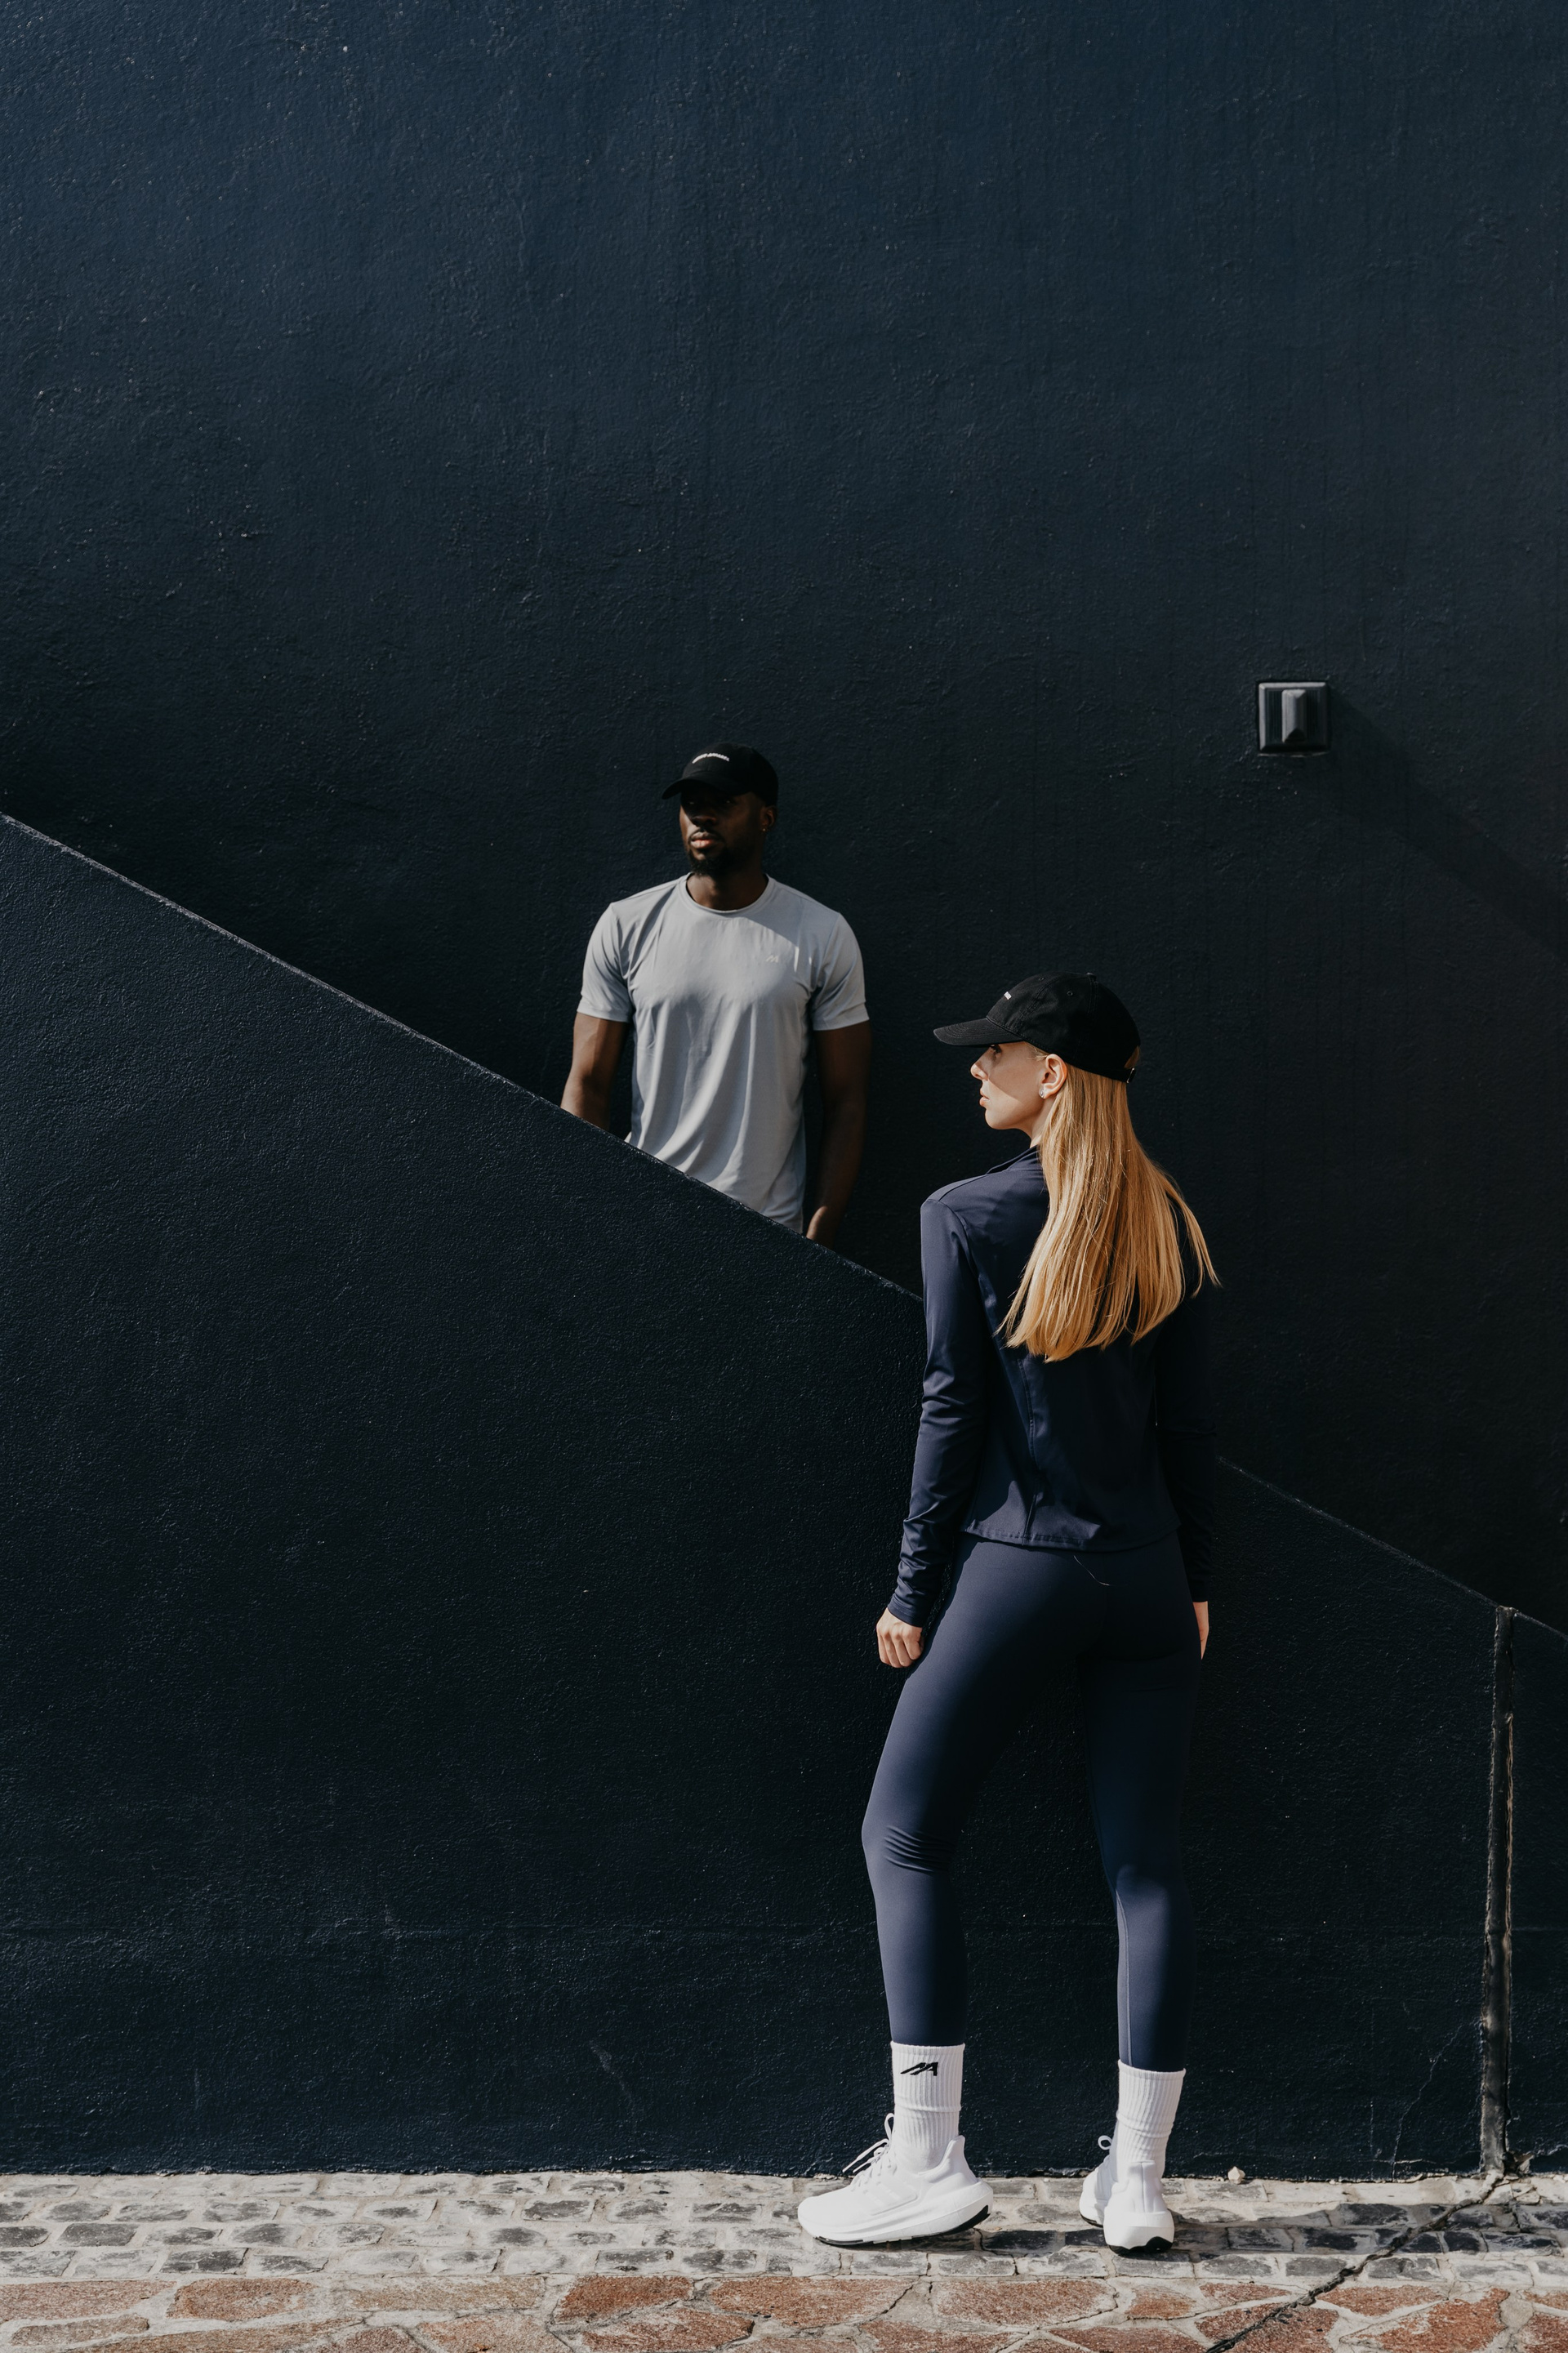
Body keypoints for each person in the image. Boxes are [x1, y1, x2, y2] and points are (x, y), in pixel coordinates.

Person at [797, 972, 1216, 2253]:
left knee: (903, 1834)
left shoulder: (965, 1214)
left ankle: (929, 2160)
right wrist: (1197, 1582)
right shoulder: (1170, 1219)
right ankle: (1136, 2181)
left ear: (1053, 1073)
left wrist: (912, 1589)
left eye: (996, 1053)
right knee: (1146, 1868)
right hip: (1150, 1578)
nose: (976, 1070)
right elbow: (1191, 1427)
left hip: (1018, 1568)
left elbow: (951, 1410)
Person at [562, 743, 871, 1244]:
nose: (702, 816)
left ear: (767, 818)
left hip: (768, 1232)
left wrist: (816, 1242)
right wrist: (593, 1216)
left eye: (724, 802)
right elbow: (587, 1083)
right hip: (647, 1222)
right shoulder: (626, 925)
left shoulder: (821, 934)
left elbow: (847, 1103)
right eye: (692, 804)